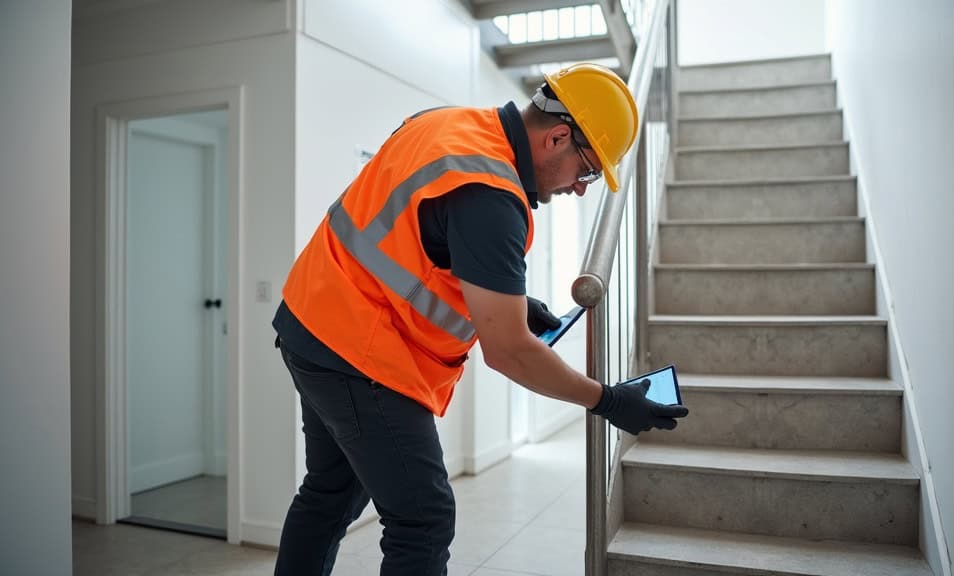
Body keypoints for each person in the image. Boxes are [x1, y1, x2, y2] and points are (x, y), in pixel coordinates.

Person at [271, 63, 689, 575]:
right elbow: (508, 351)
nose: (581, 188)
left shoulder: (448, 123)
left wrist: (507, 299)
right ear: (558, 137)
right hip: (361, 354)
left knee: (330, 494)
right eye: (587, 170)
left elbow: (414, 241)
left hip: (310, 320)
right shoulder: (490, 193)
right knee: (422, 519)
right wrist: (607, 400)